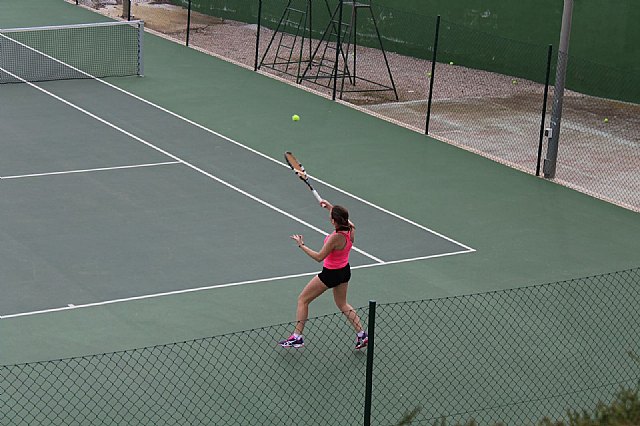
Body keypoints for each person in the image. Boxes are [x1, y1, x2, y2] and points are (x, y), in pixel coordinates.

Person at [279, 199, 368, 349]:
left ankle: (297, 337)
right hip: (345, 272)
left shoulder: (335, 238)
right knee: (343, 304)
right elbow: (347, 221)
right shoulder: (351, 230)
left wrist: (301, 245)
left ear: (334, 221)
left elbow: (319, 257)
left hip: (330, 274)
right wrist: (329, 207)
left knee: (303, 300)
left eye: (331, 217)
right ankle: (362, 334)